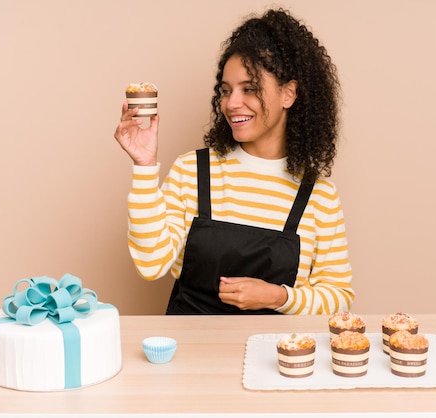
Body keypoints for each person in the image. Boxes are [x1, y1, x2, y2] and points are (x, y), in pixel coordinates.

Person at [114, 8, 354, 315]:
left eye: (249, 89)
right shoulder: (193, 171)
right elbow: (150, 263)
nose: (231, 103)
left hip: (277, 359)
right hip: (190, 356)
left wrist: (278, 297)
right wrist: (145, 167)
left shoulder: (319, 196)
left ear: (289, 94)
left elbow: (339, 297)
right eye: (226, 91)